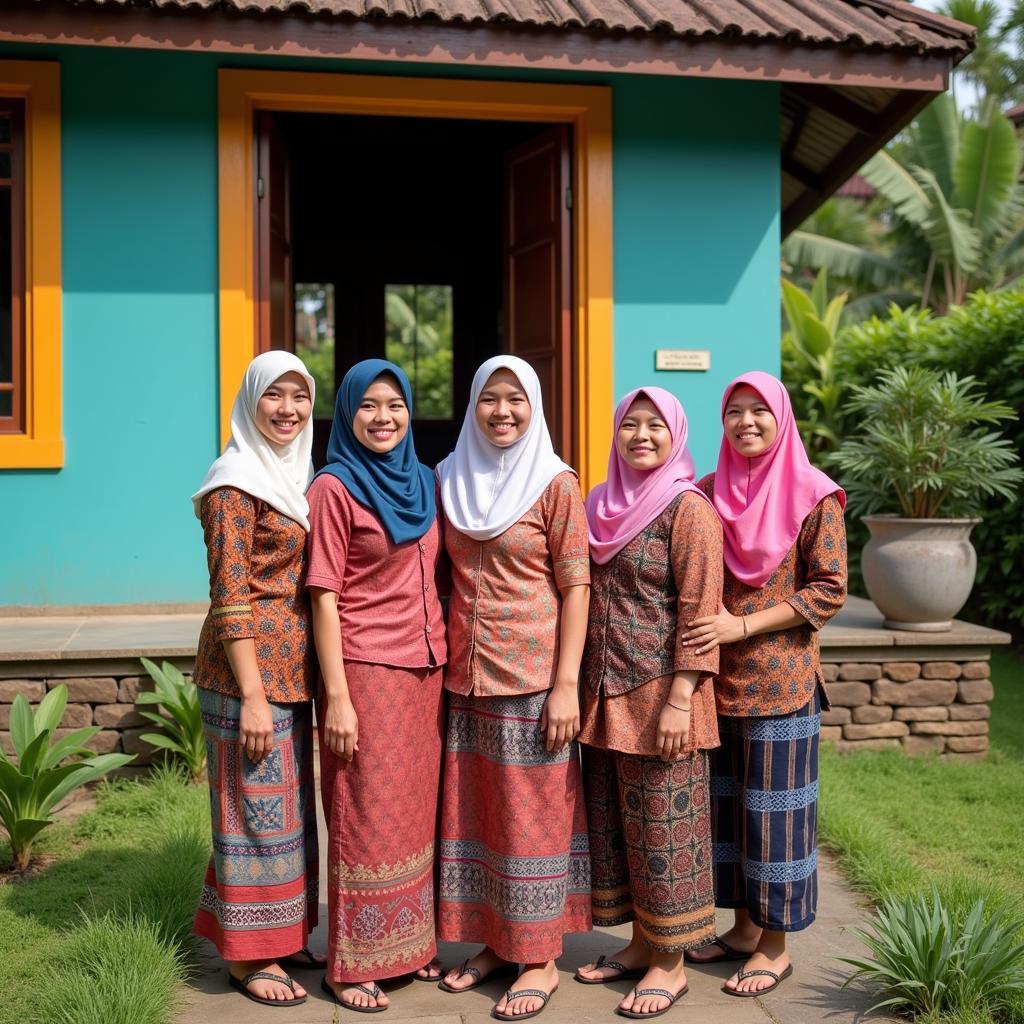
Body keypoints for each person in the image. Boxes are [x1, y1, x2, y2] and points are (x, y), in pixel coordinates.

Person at [436, 355, 591, 1022]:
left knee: (533, 820)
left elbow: (576, 584)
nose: (502, 412)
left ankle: (539, 957)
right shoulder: (448, 478)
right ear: (472, 406)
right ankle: (498, 945)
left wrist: (565, 685)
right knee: (480, 817)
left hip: (531, 680)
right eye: (490, 400)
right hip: (465, 679)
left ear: (534, 408)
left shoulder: (555, 484)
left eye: (515, 400)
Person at [680, 371, 847, 997]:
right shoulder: (703, 493)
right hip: (713, 683)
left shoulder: (814, 496)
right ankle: (745, 929)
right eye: (734, 412)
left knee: (773, 818)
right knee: (727, 815)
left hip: (783, 685)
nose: (746, 422)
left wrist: (740, 624)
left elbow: (828, 589)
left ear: (782, 419)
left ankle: (775, 949)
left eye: (759, 412)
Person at [574, 387, 723, 1020]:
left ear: (676, 435)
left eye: (654, 426)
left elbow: (699, 611)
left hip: (661, 694)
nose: (641, 436)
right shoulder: (600, 504)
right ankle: (640, 944)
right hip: (605, 691)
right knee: (616, 826)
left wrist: (682, 698)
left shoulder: (689, 510)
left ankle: (671, 965)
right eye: (630, 425)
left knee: (666, 826)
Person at [306, 359, 446, 1014]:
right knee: (364, 812)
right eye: (368, 406)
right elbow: (325, 597)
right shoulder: (334, 488)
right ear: (347, 413)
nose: (383, 418)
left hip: (427, 671)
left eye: (394, 405)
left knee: (414, 816)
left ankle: (409, 946)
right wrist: (336, 695)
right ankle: (351, 962)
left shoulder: (426, 480)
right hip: (365, 670)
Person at [191, 351, 321, 1008]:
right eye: (275, 396)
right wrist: (250, 696)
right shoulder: (234, 482)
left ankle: (282, 932)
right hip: (247, 679)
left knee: (288, 815)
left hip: (292, 677)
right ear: (250, 402)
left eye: (300, 396)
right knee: (251, 814)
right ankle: (248, 958)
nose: (289, 410)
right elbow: (230, 594)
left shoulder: (290, 478)